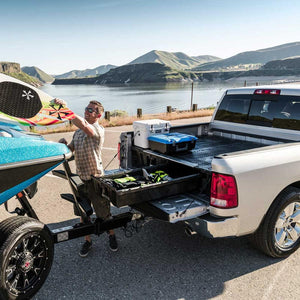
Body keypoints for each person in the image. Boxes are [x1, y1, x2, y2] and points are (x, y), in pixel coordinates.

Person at [56, 99, 118, 257]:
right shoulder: (77, 133)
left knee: (103, 213)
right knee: (84, 213)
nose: (87, 111)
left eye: (91, 110)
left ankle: (111, 235)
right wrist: (63, 145)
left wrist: (65, 109)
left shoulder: (98, 130)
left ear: (98, 115)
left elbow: (85, 126)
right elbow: (70, 150)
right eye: (86, 109)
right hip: (81, 178)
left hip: (95, 179)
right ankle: (88, 240)